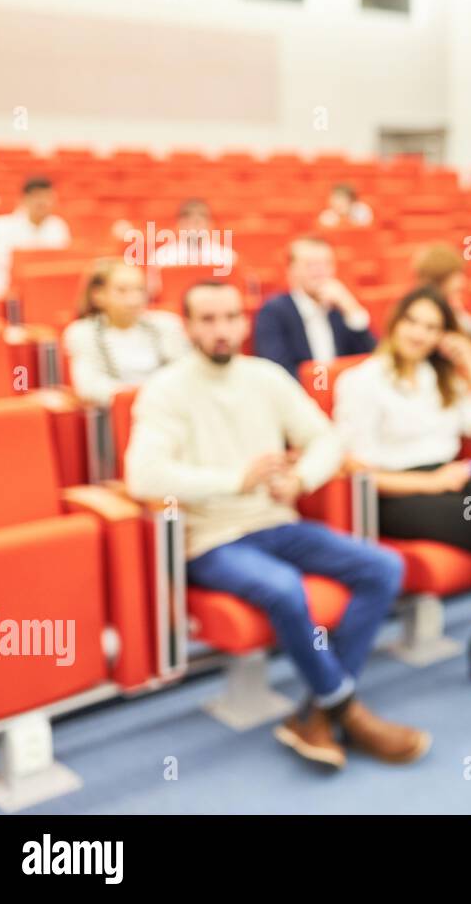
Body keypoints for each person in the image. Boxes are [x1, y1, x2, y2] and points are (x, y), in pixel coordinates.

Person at [125, 281, 429, 770]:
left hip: (276, 520)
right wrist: (233, 481)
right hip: (212, 541)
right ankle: (347, 710)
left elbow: (327, 438)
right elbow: (143, 475)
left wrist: (301, 478)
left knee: (384, 567)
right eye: (207, 320)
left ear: (244, 322)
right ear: (187, 326)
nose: (221, 330)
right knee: (287, 589)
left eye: (229, 318)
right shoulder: (166, 390)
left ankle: (317, 712)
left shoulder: (265, 377)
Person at [334, 286, 471, 689]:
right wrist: (429, 482)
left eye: (431, 328)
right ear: (395, 324)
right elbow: (355, 471)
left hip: (448, 483)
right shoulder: (362, 381)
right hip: (396, 493)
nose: (419, 334)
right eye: (412, 322)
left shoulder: (438, 376)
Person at [63, 258, 189, 405]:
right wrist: (140, 396)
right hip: (116, 415)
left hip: (170, 407)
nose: (134, 299)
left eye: (140, 289)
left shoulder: (167, 325)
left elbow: (185, 374)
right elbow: (89, 388)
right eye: (122, 291)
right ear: (98, 296)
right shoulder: (82, 333)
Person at [253, 236, 376, 378]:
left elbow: (371, 361)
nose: (320, 271)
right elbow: (277, 372)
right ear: (291, 270)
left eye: (326, 264)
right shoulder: (273, 311)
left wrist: (351, 309)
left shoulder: (340, 308)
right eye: (310, 265)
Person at [0, 177, 71, 302]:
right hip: (7, 293)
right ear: (24, 199)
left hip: (46, 294)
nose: (43, 203)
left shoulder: (58, 226)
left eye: (47, 197)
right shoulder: (0, 226)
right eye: (37, 197)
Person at [412, 243, 471, 342]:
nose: (462, 281)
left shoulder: (450, 303)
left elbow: (467, 323)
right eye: (455, 275)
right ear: (438, 281)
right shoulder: (423, 312)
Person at [150, 198, 237, 298]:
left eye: (202, 217)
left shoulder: (227, 255)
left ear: (211, 224)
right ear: (178, 224)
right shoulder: (161, 256)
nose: (195, 221)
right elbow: (154, 292)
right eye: (187, 217)